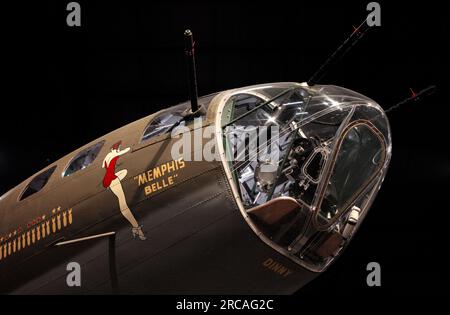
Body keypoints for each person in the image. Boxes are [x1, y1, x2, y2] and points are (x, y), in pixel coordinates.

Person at [102, 141, 146, 240]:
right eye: (118, 148)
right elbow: (124, 151)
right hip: (112, 180)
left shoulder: (107, 157)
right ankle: (136, 227)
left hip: (109, 179)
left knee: (124, 172)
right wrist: (128, 149)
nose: (119, 149)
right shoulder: (114, 154)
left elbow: (103, 166)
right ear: (114, 149)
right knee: (123, 204)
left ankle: (136, 227)